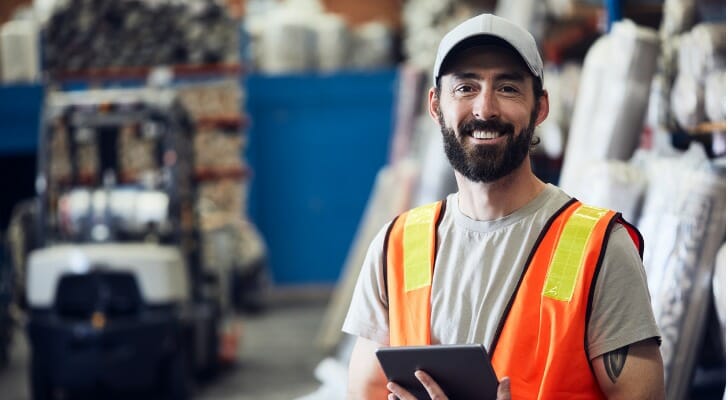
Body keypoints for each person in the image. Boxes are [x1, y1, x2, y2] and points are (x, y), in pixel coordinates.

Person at [342, 13, 665, 400]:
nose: (485, 109)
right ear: (435, 105)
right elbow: (367, 391)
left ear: (540, 107)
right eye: (465, 87)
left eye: (508, 88)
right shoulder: (396, 246)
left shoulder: (598, 248)